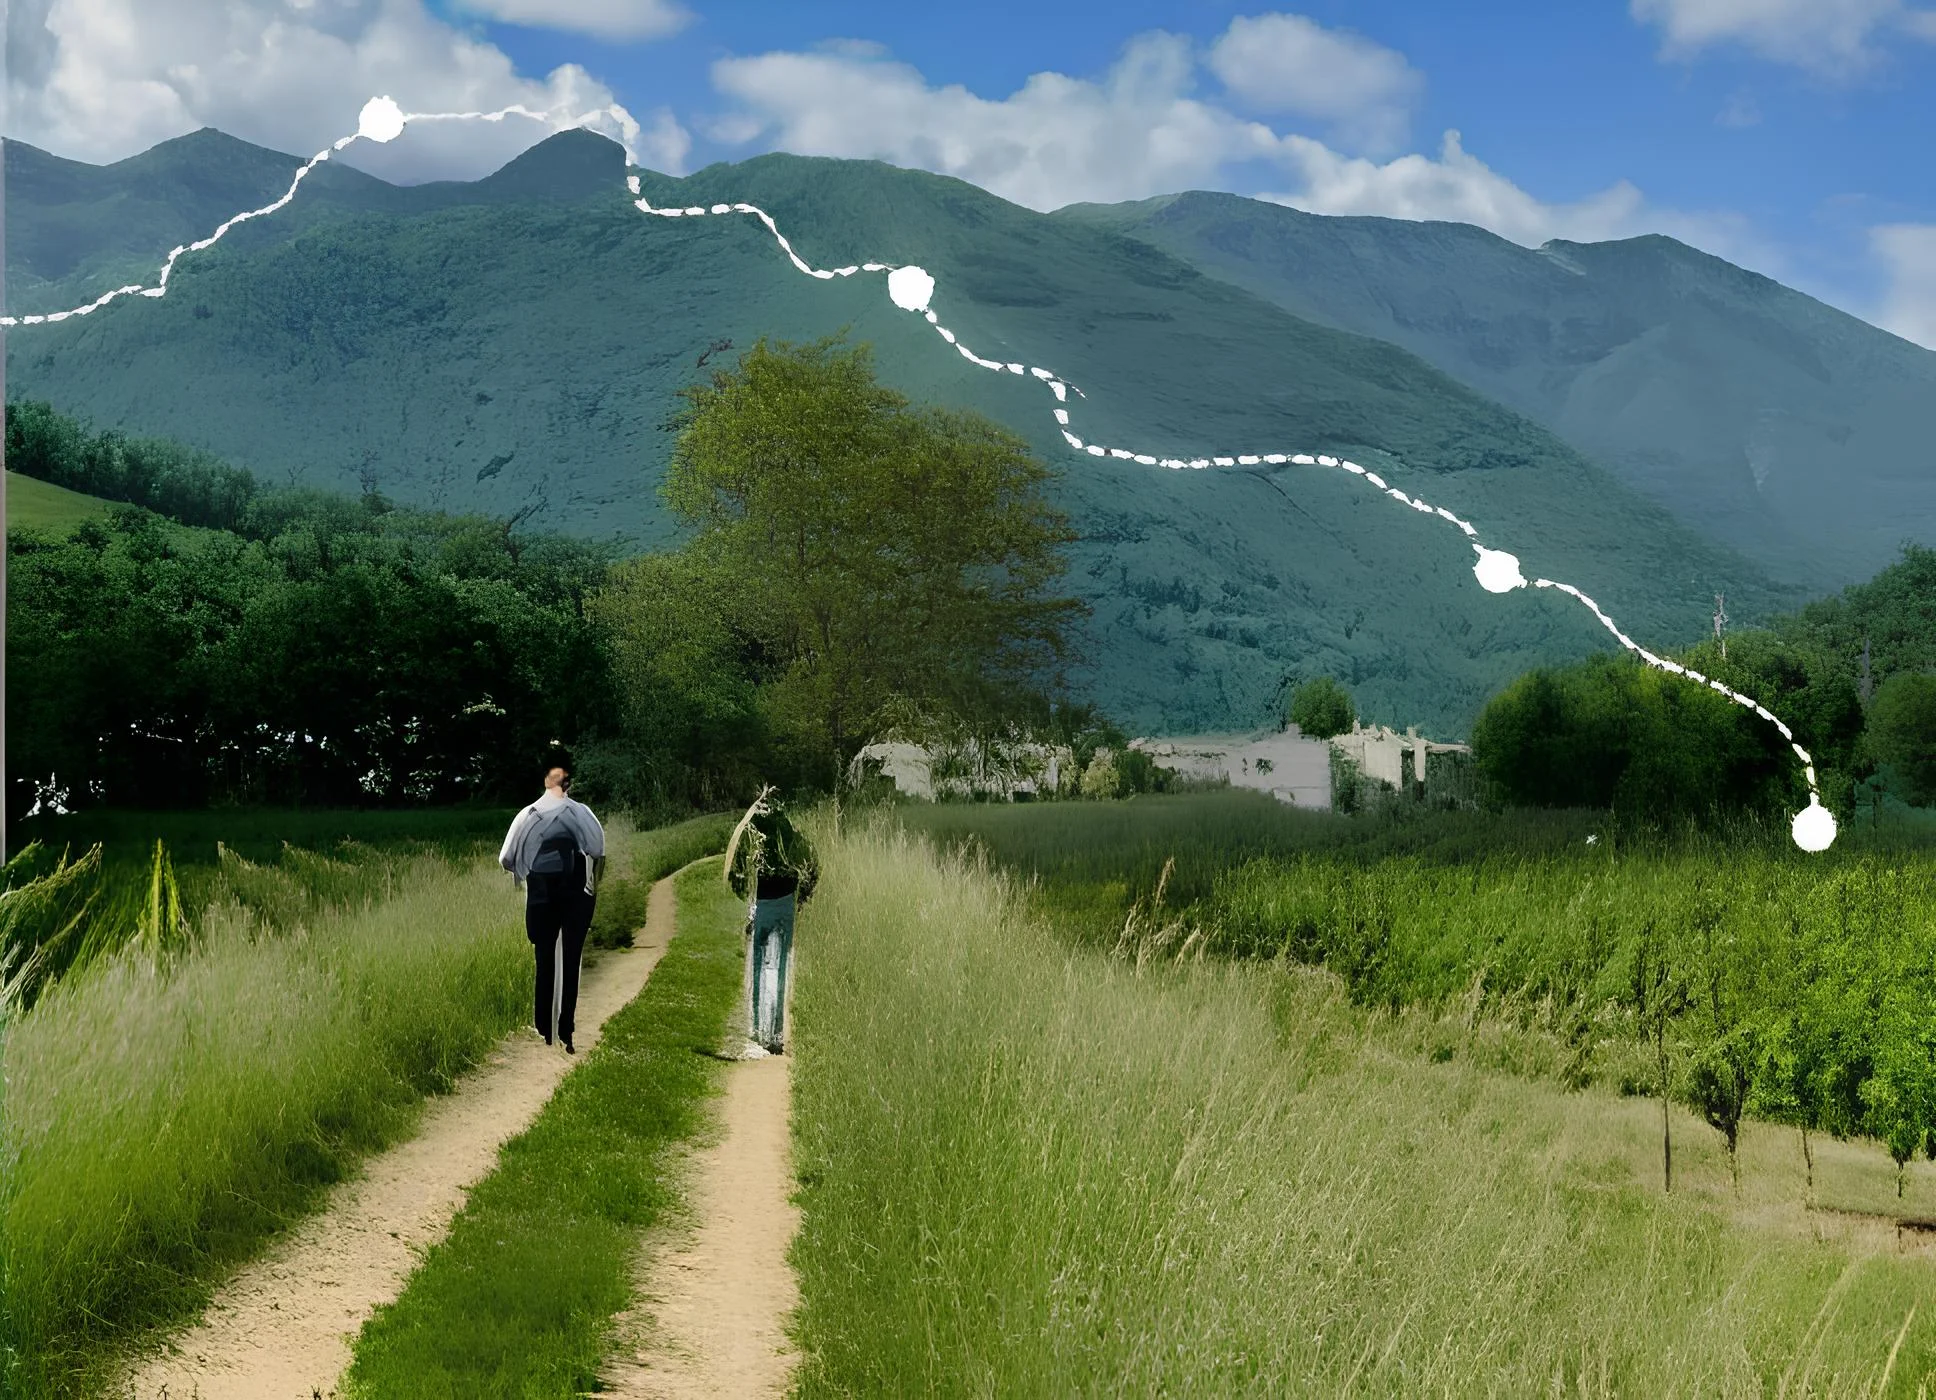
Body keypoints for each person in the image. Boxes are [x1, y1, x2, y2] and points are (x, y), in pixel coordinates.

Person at [499, 747, 606, 1054]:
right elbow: (598, 851)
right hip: (574, 893)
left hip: (541, 892)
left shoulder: (528, 814)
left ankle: (544, 1029)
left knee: (544, 961)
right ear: (569, 780)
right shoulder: (582, 813)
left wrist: (529, 866)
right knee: (571, 961)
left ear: (544, 776)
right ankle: (566, 1031)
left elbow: (506, 858)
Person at [725, 789, 817, 1055]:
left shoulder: (756, 838)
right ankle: (775, 1036)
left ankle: (756, 1031)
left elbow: (734, 871)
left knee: (759, 969)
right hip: (786, 905)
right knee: (779, 970)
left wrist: (746, 901)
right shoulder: (794, 837)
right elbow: (814, 866)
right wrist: (802, 899)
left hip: (764, 905)